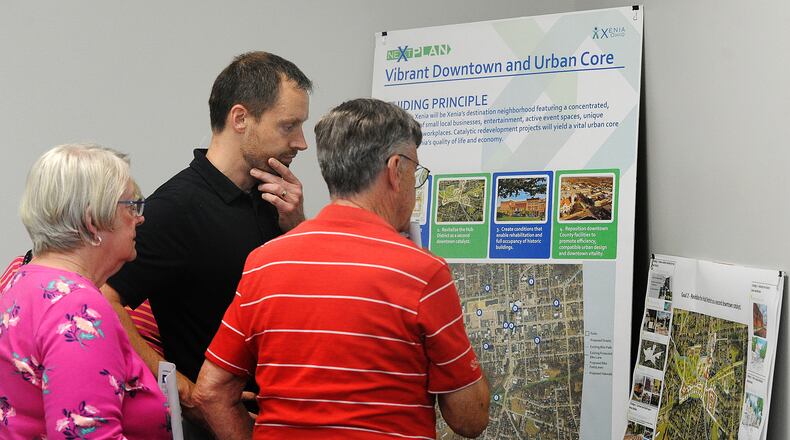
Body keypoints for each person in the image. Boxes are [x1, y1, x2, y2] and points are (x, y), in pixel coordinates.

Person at [194, 98, 490, 439]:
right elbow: (470, 419)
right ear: (395, 169)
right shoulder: (422, 271)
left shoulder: (263, 262)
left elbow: (212, 391)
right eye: (415, 172)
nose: (413, 183)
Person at [101, 51, 312, 435]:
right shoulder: (176, 207)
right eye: (289, 126)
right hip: (216, 426)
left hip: (280, 417)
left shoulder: (273, 197)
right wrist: (185, 393)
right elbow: (102, 300)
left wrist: (296, 226)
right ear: (241, 119)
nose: (301, 142)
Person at [0, 144, 169, 439]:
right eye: (131, 206)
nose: (140, 218)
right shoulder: (78, 308)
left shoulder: (20, 281)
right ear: (93, 223)